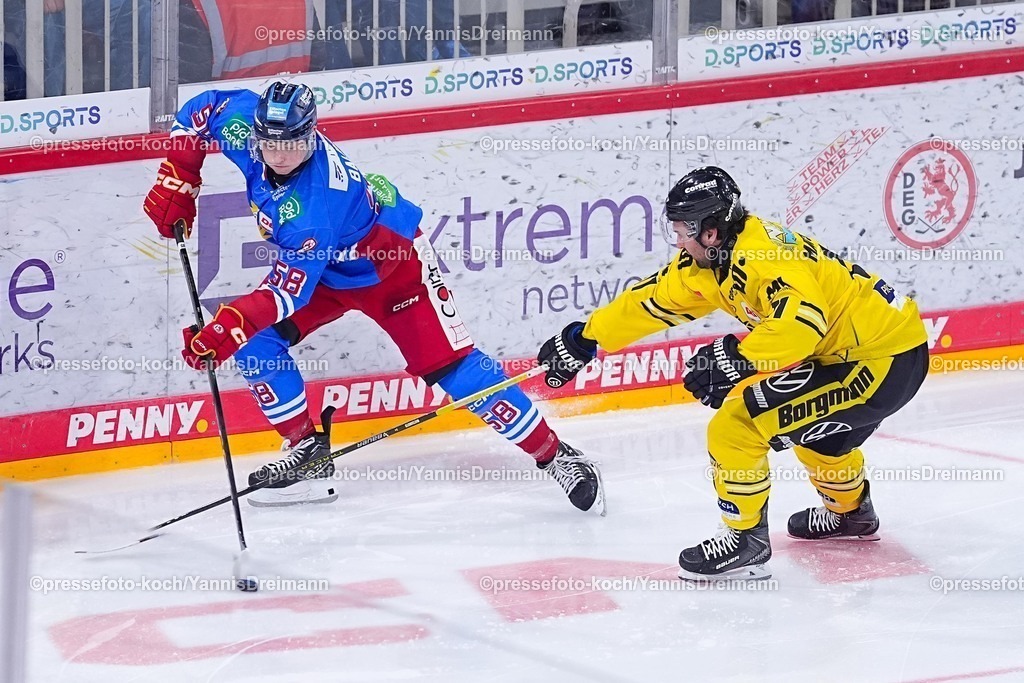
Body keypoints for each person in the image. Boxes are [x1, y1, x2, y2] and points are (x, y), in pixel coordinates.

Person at [142, 81, 605, 513]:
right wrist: (180, 173)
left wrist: (228, 325)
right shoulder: (250, 130)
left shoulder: (312, 207)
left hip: (392, 270)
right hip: (329, 269)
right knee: (255, 342)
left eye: (294, 143)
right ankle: (307, 454)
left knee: (455, 369)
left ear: (312, 134)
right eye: (271, 142)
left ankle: (556, 456)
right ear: (257, 131)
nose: (280, 154)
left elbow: (287, 291)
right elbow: (199, 111)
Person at [537, 166, 928, 581]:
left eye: (683, 230)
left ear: (711, 230)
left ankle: (747, 539)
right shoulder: (708, 262)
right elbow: (653, 300)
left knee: (738, 424)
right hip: (867, 350)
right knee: (820, 436)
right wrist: (586, 337)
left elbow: (802, 324)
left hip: (882, 360)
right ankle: (851, 515)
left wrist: (738, 359)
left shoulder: (763, 256)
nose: (678, 241)